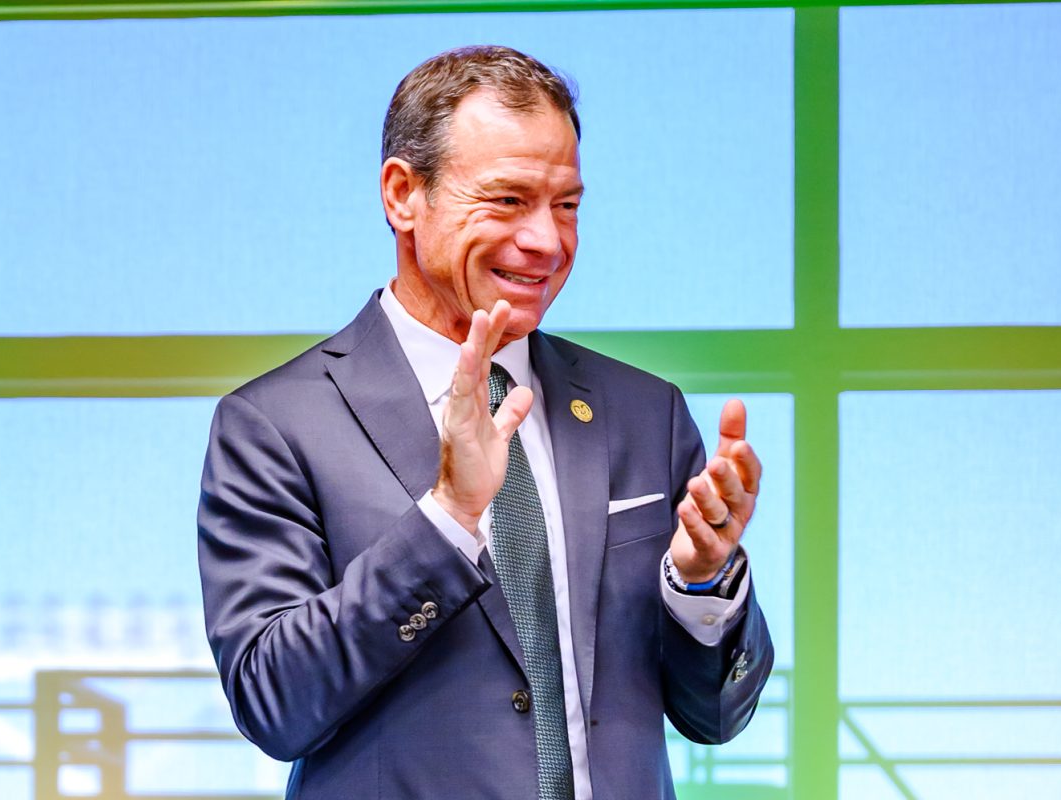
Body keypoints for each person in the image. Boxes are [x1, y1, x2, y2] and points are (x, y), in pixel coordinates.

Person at [198, 45, 773, 800]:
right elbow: (274, 704)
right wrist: (447, 517)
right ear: (404, 195)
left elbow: (716, 715)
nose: (547, 242)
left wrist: (701, 585)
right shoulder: (276, 425)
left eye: (566, 206)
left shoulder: (644, 413)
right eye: (507, 200)